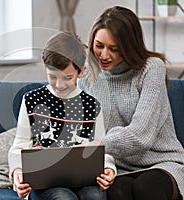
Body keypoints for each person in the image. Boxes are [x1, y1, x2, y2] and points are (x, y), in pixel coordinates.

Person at [79, 6, 184, 200]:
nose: (103, 55)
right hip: (116, 166)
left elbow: (140, 135)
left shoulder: (151, 69)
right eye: (99, 45)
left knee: (146, 188)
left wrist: (97, 144)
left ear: (129, 47)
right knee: (117, 193)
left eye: (114, 49)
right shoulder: (86, 77)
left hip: (161, 161)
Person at [8, 31, 116, 200]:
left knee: (95, 196)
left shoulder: (92, 106)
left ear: (81, 72)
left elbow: (102, 149)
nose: (59, 85)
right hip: (45, 184)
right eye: (52, 77)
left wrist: (109, 168)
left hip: (84, 180)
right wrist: (17, 174)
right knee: (63, 197)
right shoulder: (31, 100)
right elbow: (18, 147)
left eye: (67, 78)